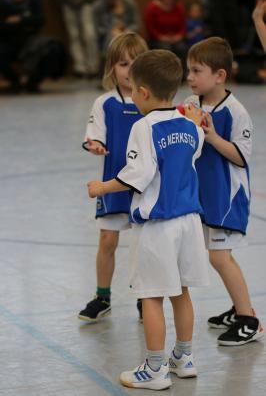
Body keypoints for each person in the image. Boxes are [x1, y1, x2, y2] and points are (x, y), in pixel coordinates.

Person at [87, 49, 209, 390]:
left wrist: (101, 187)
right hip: (189, 224)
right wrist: (196, 120)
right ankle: (184, 359)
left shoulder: (143, 126)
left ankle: (155, 369)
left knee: (152, 296)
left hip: (158, 226)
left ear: (142, 92)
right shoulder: (188, 124)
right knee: (181, 292)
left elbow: (135, 176)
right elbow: (195, 148)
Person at [185, 37, 264, 346]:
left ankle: (250, 320)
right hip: (203, 196)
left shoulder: (236, 111)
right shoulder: (192, 105)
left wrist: (213, 136)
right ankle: (238, 308)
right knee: (214, 256)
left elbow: (242, 156)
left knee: (220, 258)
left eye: (196, 71)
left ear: (219, 75)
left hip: (228, 198)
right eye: (188, 71)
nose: (189, 78)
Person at [78, 32, 148, 323]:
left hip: (145, 187)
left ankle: (147, 298)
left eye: (135, 63)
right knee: (107, 240)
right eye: (122, 63)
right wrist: (94, 145)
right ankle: (102, 296)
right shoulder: (104, 103)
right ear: (111, 68)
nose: (129, 70)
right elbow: (94, 136)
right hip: (113, 185)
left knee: (145, 244)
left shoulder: (152, 102)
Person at [59, 0, 99, 78]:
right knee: (74, 36)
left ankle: (93, 67)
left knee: (89, 35)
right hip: (68, 3)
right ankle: (80, 68)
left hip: (86, 2)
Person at [144, 0, 187, 72]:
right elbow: (150, 28)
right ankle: (166, 73)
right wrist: (161, 37)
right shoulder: (152, 7)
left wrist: (178, 36)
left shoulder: (179, 7)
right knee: (166, 48)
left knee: (182, 48)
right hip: (157, 39)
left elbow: (183, 26)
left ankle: (181, 74)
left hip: (175, 38)